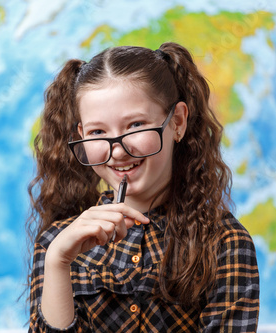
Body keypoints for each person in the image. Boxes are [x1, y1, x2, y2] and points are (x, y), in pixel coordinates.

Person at [26, 42, 259, 332]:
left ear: (177, 122)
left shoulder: (224, 243)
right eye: (98, 132)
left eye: (135, 126)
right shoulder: (56, 244)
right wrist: (58, 263)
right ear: (82, 135)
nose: (118, 151)